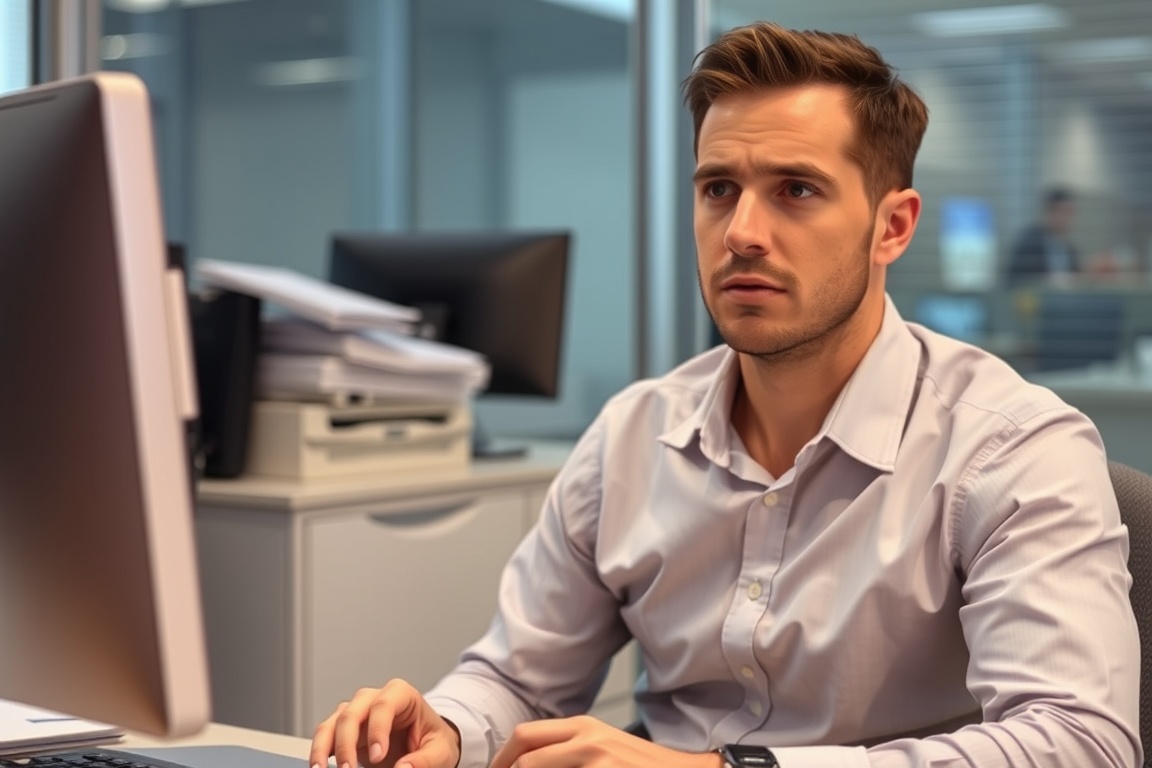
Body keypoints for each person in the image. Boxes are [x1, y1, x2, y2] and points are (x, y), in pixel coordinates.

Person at [310, 22, 1141, 768]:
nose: (742, 230)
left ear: (893, 226)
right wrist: (448, 730)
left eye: (796, 190)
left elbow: (1079, 741)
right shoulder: (633, 435)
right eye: (719, 189)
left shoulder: (1011, 446)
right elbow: (519, 677)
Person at [1006, 186, 1081, 285]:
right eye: (1064, 212)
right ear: (1050, 212)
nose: (1068, 218)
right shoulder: (1030, 242)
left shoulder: (1069, 249)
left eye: (1071, 213)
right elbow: (1016, 279)